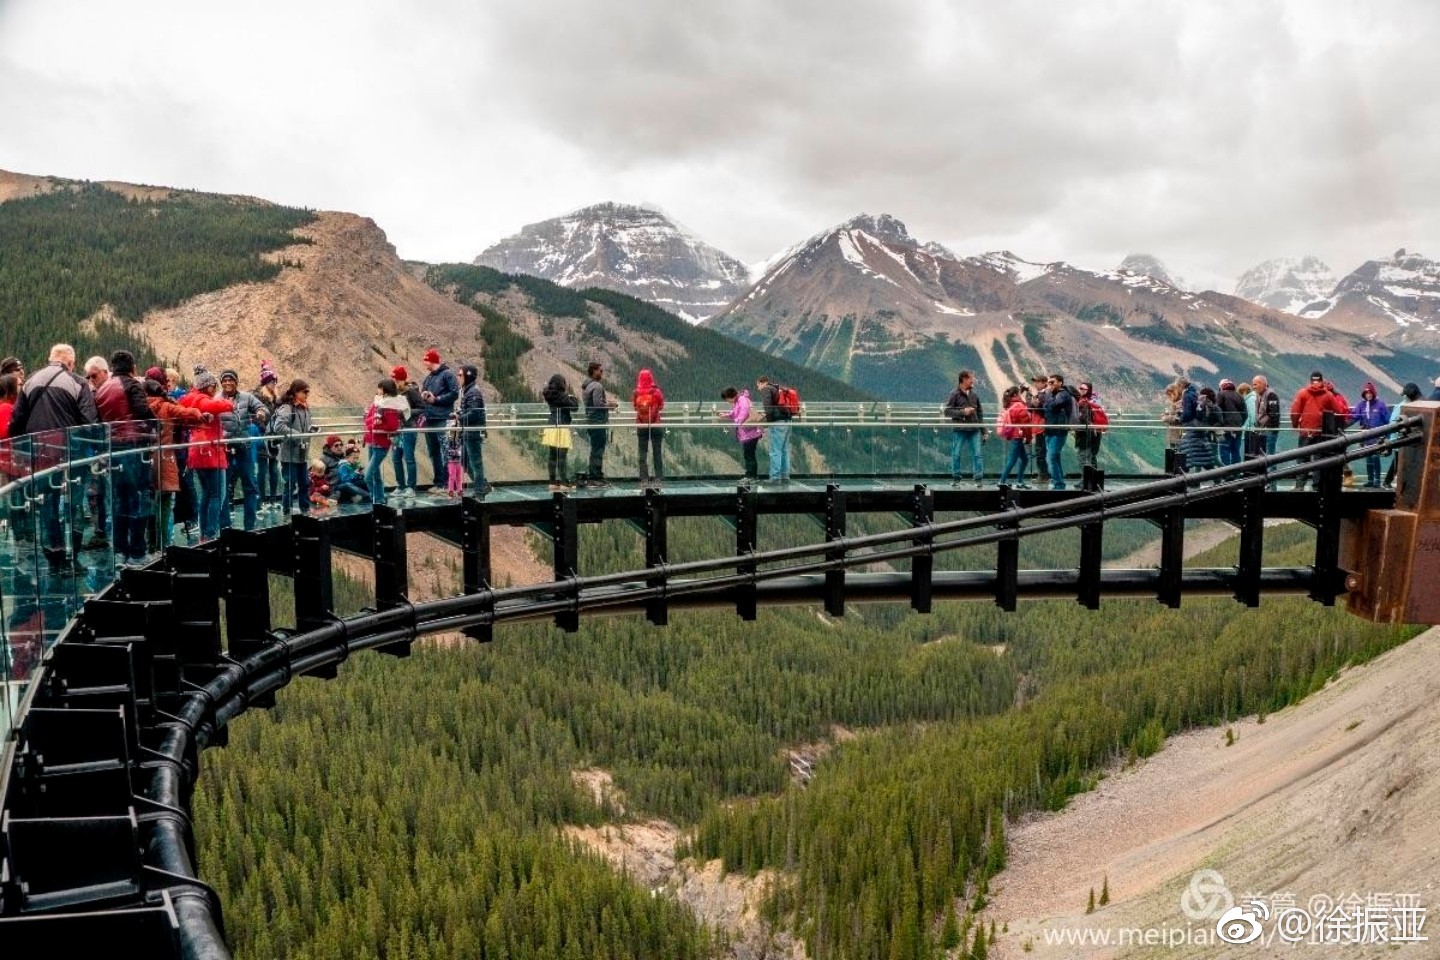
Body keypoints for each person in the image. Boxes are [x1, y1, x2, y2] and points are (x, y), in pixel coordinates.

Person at [7, 343, 100, 562]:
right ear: (71, 362)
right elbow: (89, 422)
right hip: (73, 454)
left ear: (50, 359)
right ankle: (74, 554)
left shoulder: (30, 381)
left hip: (40, 454)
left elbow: (16, 423)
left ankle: (54, 554)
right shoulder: (78, 382)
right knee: (75, 502)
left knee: (47, 502)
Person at [94, 350, 159, 563]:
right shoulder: (131, 384)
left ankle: (120, 551)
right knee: (139, 496)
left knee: (119, 499)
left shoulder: (102, 389)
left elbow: (98, 420)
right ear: (133, 368)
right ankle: (138, 552)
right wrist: (156, 426)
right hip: (134, 447)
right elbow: (142, 411)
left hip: (112, 448)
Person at [144, 373, 206, 548]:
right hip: (165, 459)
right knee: (165, 505)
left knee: (150, 505)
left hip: (145, 461)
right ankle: (164, 545)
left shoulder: (140, 407)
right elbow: (186, 412)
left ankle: (151, 544)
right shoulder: (166, 406)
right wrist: (199, 414)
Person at [178, 372, 235, 541]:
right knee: (218, 494)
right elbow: (220, 406)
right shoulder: (202, 400)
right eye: (213, 385)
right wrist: (229, 403)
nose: (215, 388)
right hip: (211, 453)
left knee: (207, 494)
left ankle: (204, 533)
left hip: (197, 452)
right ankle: (210, 533)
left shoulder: (190, 398)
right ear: (207, 386)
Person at [217, 369, 266, 532]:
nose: (227, 383)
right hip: (225, 449)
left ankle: (250, 525)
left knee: (250, 486)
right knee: (223, 488)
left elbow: (261, 407)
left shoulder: (246, 397)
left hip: (244, 447)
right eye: (224, 380)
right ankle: (225, 526)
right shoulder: (216, 399)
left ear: (236, 382)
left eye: (230, 380)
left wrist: (260, 412)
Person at [1289, 370, 1342, 490]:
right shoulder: (1328, 395)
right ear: (1322, 381)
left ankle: (1299, 486)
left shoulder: (1302, 393)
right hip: (1321, 432)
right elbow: (1338, 412)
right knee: (1319, 460)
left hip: (1305, 431)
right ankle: (1317, 486)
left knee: (1302, 459)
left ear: (1310, 381)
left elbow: (1295, 412)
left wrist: (1295, 425)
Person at [271, 379, 315, 514]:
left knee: (304, 483)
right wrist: (297, 435)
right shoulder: (287, 407)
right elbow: (278, 426)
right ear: (296, 392)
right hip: (289, 454)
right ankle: (287, 512)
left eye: (308, 392)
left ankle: (305, 510)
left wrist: (310, 431)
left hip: (302, 453)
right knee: (290, 484)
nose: (307, 394)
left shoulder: (305, 407)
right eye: (304, 391)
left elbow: (305, 426)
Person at [419, 348, 459, 492]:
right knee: (433, 452)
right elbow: (424, 393)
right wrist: (424, 396)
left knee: (445, 451)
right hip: (429, 418)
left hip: (443, 418)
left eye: (426, 361)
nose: (424, 364)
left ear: (432, 361)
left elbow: (454, 393)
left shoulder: (447, 374)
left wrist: (437, 399)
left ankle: (448, 484)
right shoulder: (429, 377)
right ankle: (438, 483)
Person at [363, 379, 406, 506]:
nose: (377, 390)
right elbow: (369, 420)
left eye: (380, 388)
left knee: (368, 476)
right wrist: (373, 422)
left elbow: (392, 426)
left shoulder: (388, 406)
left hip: (381, 444)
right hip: (373, 442)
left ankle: (375, 498)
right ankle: (379, 500)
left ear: (384, 390)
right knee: (376, 475)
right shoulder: (378, 404)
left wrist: (375, 425)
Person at [943, 370, 985, 487]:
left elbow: (980, 414)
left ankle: (978, 479)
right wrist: (963, 412)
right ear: (964, 379)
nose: (973, 380)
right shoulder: (954, 394)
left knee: (977, 454)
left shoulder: (974, 395)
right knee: (956, 454)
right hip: (960, 429)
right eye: (971, 378)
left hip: (974, 429)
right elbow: (947, 411)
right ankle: (956, 478)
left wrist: (984, 431)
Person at [580, 361, 619, 487]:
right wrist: (610, 405)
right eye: (600, 371)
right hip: (598, 421)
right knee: (598, 449)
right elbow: (598, 404)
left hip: (591, 420)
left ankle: (596, 475)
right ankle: (595, 477)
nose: (602, 373)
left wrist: (605, 404)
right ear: (594, 371)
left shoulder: (588, 386)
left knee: (595, 449)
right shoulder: (597, 386)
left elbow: (593, 403)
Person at [389, 365, 423, 499]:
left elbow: (422, 408)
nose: (395, 382)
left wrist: (407, 411)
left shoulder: (412, 392)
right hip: (396, 430)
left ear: (403, 380)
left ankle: (411, 487)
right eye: (394, 380)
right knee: (396, 458)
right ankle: (400, 486)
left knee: (409, 458)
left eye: (397, 380)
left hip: (409, 428)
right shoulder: (393, 392)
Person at [253, 361, 283, 514]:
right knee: (262, 471)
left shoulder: (275, 398)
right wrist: (265, 429)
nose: (274, 384)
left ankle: (273, 499)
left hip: (274, 439)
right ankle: (262, 500)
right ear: (266, 382)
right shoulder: (258, 397)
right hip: (262, 437)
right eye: (272, 381)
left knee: (274, 470)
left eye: (275, 382)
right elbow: (256, 417)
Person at [718, 386, 763, 485]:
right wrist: (726, 415)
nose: (727, 401)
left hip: (750, 433)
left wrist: (734, 424)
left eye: (727, 399)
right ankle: (750, 476)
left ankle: (752, 477)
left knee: (749, 455)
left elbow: (742, 415)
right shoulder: (739, 400)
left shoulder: (742, 400)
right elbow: (735, 413)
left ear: (730, 396)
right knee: (748, 455)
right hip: (747, 433)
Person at [1349, 382, 1390, 488]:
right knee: (1368, 458)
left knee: (1375, 457)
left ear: (1373, 393)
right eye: (1366, 393)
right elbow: (1354, 417)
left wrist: (1387, 436)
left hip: (1377, 437)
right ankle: (1370, 480)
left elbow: (1387, 420)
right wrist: (1343, 423)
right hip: (1366, 437)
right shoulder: (1361, 405)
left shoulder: (1380, 405)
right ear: (1364, 394)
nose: (1368, 395)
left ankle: (1377, 480)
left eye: (1370, 393)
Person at [541, 374, 578, 490]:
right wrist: (572, 397)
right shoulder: (563, 396)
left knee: (552, 456)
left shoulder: (548, 395)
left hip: (551, 426)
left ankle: (552, 482)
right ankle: (564, 482)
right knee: (562, 457)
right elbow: (575, 407)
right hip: (562, 427)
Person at [1384, 383, 1422, 488]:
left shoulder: (1403, 405)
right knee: (1399, 462)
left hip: (1401, 438)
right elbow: (1394, 423)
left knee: (1399, 462)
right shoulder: (1403, 406)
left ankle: (1389, 481)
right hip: (1401, 438)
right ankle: (1389, 482)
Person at [458, 363, 488, 497]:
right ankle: (482, 486)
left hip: (473, 432)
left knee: (476, 463)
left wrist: (459, 417)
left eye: (460, 375)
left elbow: (474, 413)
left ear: (467, 376)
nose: (458, 377)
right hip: (468, 432)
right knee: (465, 461)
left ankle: (480, 491)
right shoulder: (469, 390)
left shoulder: (473, 392)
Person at [756, 375, 793, 483]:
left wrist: (768, 422)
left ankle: (775, 477)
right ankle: (785, 477)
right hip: (787, 421)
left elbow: (767, 407)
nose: (758, 388)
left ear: (761, 382)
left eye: (758, 386)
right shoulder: (777, 388)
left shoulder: (766, 389)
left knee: (775, 451)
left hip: (777, 422)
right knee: (784, 450)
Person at [632, 368, 665, 486]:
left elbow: (635, 407)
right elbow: (661, 406)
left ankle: (644, 479)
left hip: (641, 425)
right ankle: (658, 478)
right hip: (655, 424)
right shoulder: (656, 391)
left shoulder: (636, 392)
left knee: (642, 453)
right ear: (651, 378)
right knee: (657, 452)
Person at [1042, 374, 1074, 490]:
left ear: (1060, 382)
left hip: (1059, 431)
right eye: (1049, 382)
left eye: (1052, 382)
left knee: (1051, 458)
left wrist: (1048, 393)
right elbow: (1045, 407)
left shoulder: (1063, 394)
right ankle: (1060, 483)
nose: (1050, 385)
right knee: (1055, 458)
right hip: (1050, 430)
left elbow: (1053, 405)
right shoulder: (1053, 394)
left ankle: (1058, 484)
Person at [996, 386, 1032, 488]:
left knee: (1024, 459)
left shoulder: (1009, 404)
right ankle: (1002, 481)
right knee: (1013, 460)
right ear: (1016, 394)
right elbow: (1026, 423)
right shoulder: (1019, 405)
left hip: (1014, 435)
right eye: (1019, 393)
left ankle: (1019, 481)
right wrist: (1029, 438)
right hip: (1018, 436)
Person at [1178, 386, 1219, 472]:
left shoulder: (1193, 410)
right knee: (1206, 459)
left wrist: (1181, 419)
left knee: (1188, 458)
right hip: (1202, 436)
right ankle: (1219, 476)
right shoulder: (1203, 406)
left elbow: (1188, 416)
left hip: (1195, 435)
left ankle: (1226, 475)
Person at [320, 435, 370, 503]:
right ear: (330, 447)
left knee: (364, 481)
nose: (339, 447)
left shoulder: (345, 457)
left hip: (349, 482)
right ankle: (369, 497)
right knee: (347, 485)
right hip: (335, 487)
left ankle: (376, 495)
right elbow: (315, 473)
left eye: (341, 444)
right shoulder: (324, 459)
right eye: (336, 445)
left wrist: (358, 473)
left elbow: (352, 471)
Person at [1248, 374, 1282, 462]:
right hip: (1262, 431)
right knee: (1263, 456)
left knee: (1270, 455)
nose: (1253, 387)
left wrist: (1270, 428)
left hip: (1269, 431)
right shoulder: (1259, 395)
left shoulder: (1271, 395)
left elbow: (1274, 414)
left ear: (1262, 383)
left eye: (1255, 384)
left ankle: (1272, 470)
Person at [1074, 381, 1106, 471]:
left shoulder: (1083, 402)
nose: (1081, 390)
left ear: (1088, 390)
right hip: (1096, 432)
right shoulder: (1096, 401)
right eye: (1080, 388)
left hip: (1085, 434)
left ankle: (1086, 478)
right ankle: (1094, 478)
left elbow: (1083, 418)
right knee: (1091, 457)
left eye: (1083, 389)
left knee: (1083, 458)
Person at [1025, 375, 1051, 486]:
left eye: (1038, 382)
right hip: (1039, 427)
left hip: (1042, 427)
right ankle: (1043, 475)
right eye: (1035, 382)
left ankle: (1043, 476)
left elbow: (1039, 409)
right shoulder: (1041, 395)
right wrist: (1030, 398)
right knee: (1040, 452)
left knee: (1040, 453)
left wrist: (1034, 402)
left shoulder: (1044, 395)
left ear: (1044, 383)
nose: (1036, 384)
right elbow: (1031, 408)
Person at [1216, 378, 1246, 467]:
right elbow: (1245, 413)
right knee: (1235, 451)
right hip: (1238, 429)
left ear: (1221, 387)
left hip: (1225, 429)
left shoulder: (1221, 394)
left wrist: (1219, 424)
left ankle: (1227, 472)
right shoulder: (1239, 396)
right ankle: (1237, 472)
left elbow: (1217, 411)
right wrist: (1240, 424)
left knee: (1224, 451)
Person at [443, 412, 465, 498]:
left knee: (459, 476)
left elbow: (461, 448)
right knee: (452, 476)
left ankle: (459, 490)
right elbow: (447, 450)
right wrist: (456, 452)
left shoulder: (459, 438)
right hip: (451, 460)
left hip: (458, 460)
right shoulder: (448, 439)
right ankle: (451, 490)